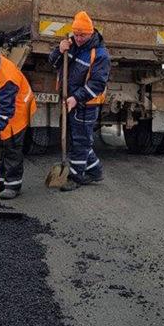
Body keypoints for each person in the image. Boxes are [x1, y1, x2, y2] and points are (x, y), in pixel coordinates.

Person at [49, 11, 111, 191]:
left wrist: (77, 98)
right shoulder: (71, 45)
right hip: (69, 100)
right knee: (77, 140)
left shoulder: (100, 55)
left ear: (91, 33)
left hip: (86, 104)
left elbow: (97, 84)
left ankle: (76, 177)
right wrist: (59, 51)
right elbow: (53, 63)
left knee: (80, 142)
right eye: (76, 34)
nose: (78, 38)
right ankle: (96, 171)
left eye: (82, 35)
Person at [0, 45, 37, 200]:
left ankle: (13, 185)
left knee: (11, 148)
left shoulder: (7, 77)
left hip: (18, 109)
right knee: (0, 146)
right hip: (1, 108)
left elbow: (7, 108)